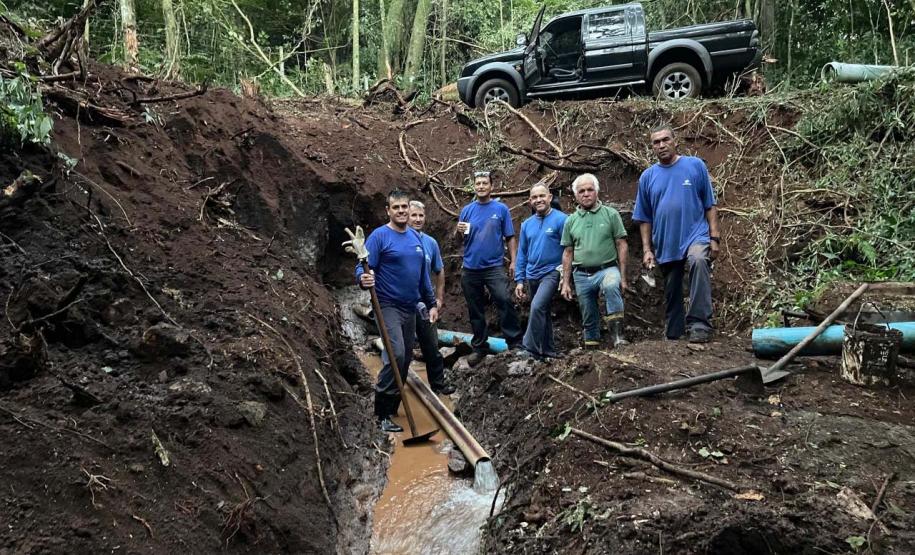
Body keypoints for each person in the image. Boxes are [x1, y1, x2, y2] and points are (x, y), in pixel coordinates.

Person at [356, 190, 438, 433]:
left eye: (404, 207)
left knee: (405, 358)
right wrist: (363, 278)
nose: (401, 211)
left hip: (410, 307)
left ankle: (391, 407)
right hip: (387, 305)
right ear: (388, 211)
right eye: (396, 207)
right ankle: (381, 413)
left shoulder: (415, 238)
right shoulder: (380, 237)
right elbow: (363, 266)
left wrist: (431, 303)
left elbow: (423, 277)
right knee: (397, 354)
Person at [633, 124, 719, 343]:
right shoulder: (647, 177)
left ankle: (699, 324)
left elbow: (709, 204)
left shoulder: (695, 166)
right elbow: (644, 217)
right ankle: (675, 329)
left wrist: (714, 237)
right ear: (652, 147)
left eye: (666, 140)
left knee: (698, 260)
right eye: (656, 142)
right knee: (672, 285)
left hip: (696, 234)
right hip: (666, 240)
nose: (662, 145)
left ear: (675, 141)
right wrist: (647, 250)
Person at [457, 171, 523, 367]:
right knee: (475, 309)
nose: (481, 186)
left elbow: (510, 237)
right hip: (470, 268)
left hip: (494, 267)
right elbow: (459, 239)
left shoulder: (501, 209)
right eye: (478, 183)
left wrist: (513, 261)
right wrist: (458, 232)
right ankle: (480, 347)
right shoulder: (467, 210)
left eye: (484, 183)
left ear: (491, 186)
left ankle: (514, 343)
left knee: (504, 300)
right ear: (474, 186)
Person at [560, 173, 629, 348]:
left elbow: (621, 244)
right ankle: (591, 348)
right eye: (581, 191)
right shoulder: (570, 221)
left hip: (607, 269)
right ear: (575, 195)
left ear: (597, 191)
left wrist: (623, 277)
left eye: (590, 189)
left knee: (611, 286)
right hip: (581, 275)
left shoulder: (611, 214)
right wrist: (565, 283)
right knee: (588, 312)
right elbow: (568, 252)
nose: (586, 194)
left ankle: (618, 338)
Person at [514, 184, 567, 360]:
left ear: (550, 197)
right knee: (542, 310)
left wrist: (566, 275)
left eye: (542, 196)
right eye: (534, 197)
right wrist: (519, 280)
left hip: (552, 272)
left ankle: (529, 348)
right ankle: (548, 350)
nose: (539, 200)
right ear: (530, 201)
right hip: (532, 274)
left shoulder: (562, 220)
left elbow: (569, 249)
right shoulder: (526, 225)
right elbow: (522, 253)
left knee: (537, 306)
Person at [408, 201, 455, 394]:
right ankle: (395, 387)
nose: (418, 219)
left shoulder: (430, 243)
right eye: (414, 215)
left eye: (421, 215)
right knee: (401, 349)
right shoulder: (399, 240)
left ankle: (438, 385)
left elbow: (439, 271)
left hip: (425, 304)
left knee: (431, 347)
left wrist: (439, 299)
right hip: (403, 304)